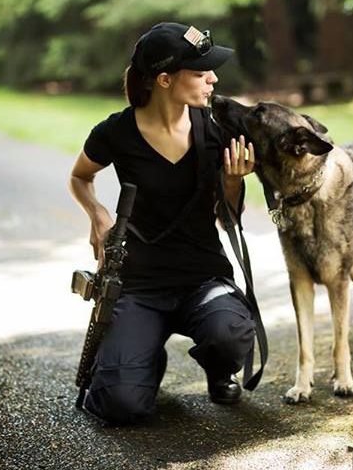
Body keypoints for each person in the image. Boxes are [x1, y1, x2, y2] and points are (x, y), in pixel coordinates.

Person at [69, 22, 257, 425]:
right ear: (165, 79)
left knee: (230, 333)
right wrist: (97, 214)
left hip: (202, 278)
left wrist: (232, 181)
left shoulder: (216, 129)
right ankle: (141, 356)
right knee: (121, 406)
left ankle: (218, 367)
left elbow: (229, 217)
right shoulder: (116, 131)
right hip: (139, 285)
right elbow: (79, 176)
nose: (213, 78)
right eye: (201, 71)